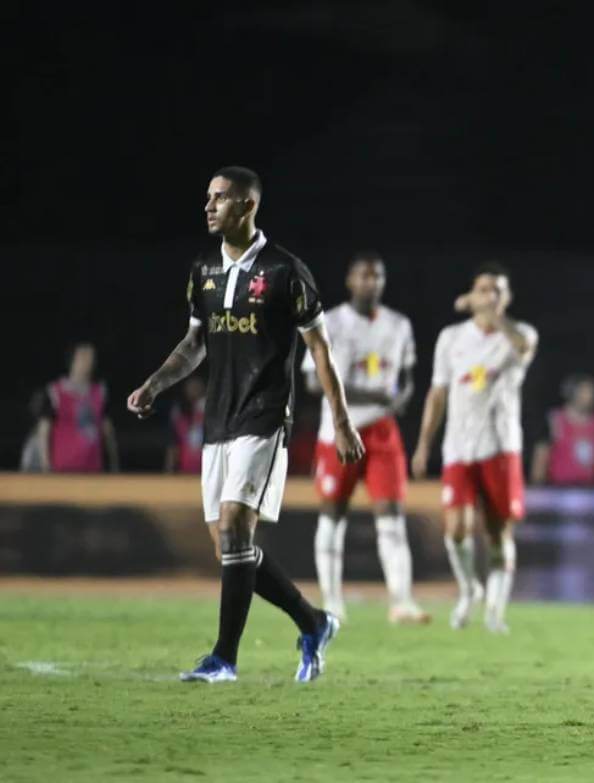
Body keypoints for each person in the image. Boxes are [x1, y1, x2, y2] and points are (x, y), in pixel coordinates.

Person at [127, 165, 365, 684]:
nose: (208, 206)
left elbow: (320, 350)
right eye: (207, 197)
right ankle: (314, 621)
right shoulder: (203, 269)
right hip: (219, 417)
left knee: (236, 525)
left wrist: (342, 421)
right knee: (229, 549)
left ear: (247, 205)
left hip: (264, 415)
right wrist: (153, 385)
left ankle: (224, 659)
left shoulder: (286, 271)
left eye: (219, 198)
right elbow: (195, 344)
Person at [302, 250, 428, 624]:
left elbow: (405, 377)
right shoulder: (331, 322)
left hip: (383, 432)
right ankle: (332, 601)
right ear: (350, 281)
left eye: (377, 276)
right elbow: (312, 380)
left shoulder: (398, 324)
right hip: (341, 429)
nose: (370, 282)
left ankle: (402, 602)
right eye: (364, 276)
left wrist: (400, 397)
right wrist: (375, 396)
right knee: (333, 513)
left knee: (391, 514)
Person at [412, 263, 538, 633]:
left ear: (507, 298)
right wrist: (423, 445)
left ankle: (495, 613)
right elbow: (437, 393)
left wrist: (489, 313)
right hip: (458, 449)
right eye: (484, 290)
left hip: (500, 448)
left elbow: (522, 345)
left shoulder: (519, 333)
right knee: (456, 530)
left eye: (497, 291)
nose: (491, 296)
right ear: (473, 292)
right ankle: (469, 589)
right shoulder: (451, 338)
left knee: (499, 534)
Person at [37, 342, 120, 472]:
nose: (89, 360)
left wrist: (114, 464)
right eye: (84, 356)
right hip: (62, 469)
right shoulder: (55, 392)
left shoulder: (100, 392)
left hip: (93, 470)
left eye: (91, 356)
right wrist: (45, 465)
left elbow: (108, 431)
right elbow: (44, 430)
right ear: (72, 359)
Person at [530, 374, 594, 485]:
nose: (590, 396)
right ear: (571, 393)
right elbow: (541, 457)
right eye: (585, 392)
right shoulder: (554, 421)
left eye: (592, 392)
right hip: (560, 490)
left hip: (591, 491)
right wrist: (538, 487)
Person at [165, 375, 206, 474]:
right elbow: (173, 444)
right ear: (185, 390)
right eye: (191, 387)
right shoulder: (178, 413)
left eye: (196, 387)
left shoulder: (208, 411)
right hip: (184, 469)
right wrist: (169, 469)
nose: (194, 390)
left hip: (205, 467)